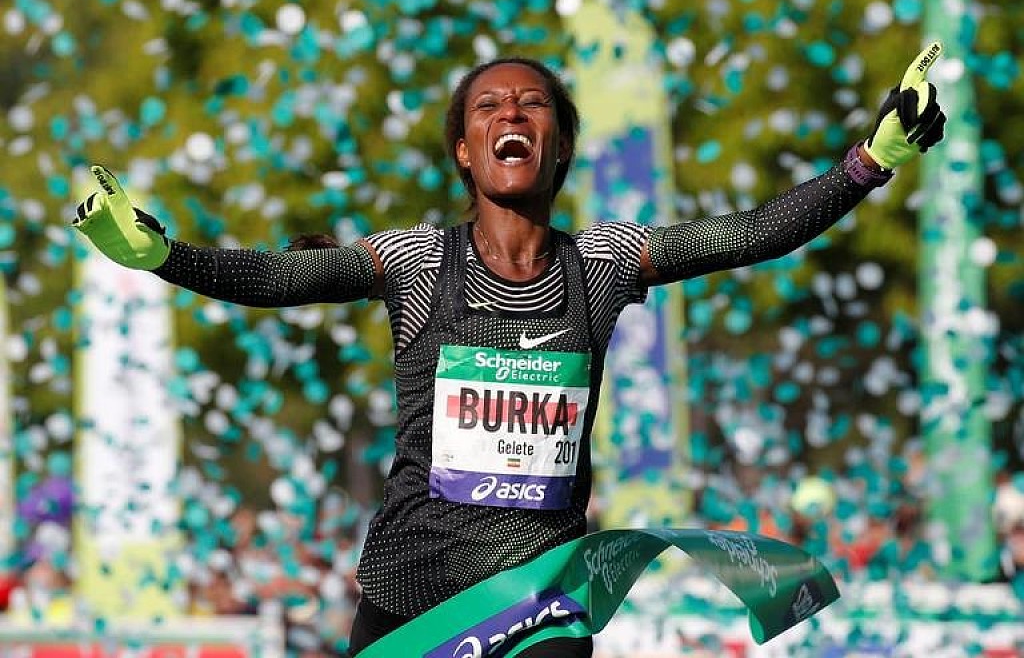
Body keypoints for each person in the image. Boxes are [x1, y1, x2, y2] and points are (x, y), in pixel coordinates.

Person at [72, 44, 946, 656]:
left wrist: (869, 163)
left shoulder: (603, 263)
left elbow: (747, 234)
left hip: (541, 599)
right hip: (409, 594)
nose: (511, 113)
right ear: (466, 150)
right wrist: (165, 257)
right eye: (488, 106)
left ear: (558, 146)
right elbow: (283, 276)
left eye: (532, 104)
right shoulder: (417, 262)